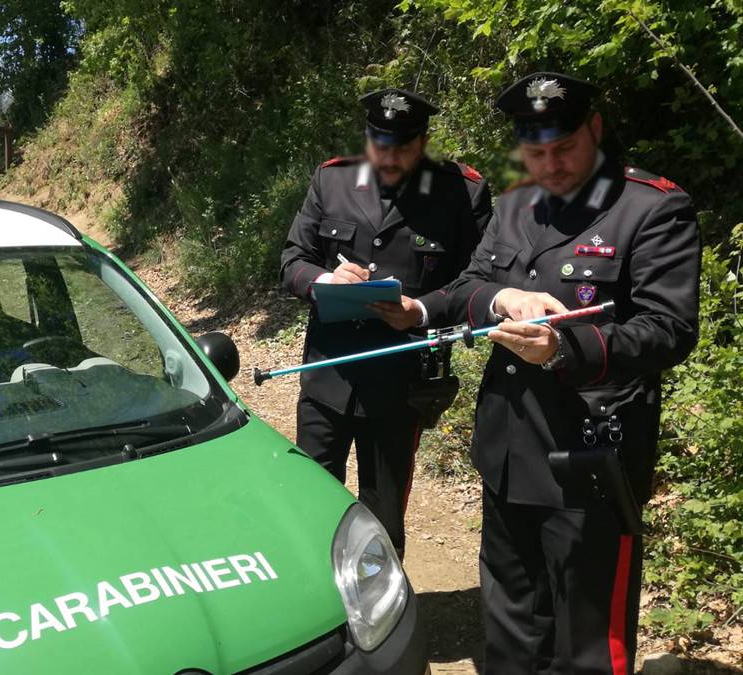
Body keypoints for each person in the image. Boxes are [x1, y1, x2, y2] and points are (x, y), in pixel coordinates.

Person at [376, 72, 700, 673]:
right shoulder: (516, 203)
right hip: (506, 446)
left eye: (565, 148)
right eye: (535, 151)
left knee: (587, 642)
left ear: (595, 130)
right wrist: (501, 300)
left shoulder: (652, 209)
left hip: (591, 458)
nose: (550, 164)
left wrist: (562, 350)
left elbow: (668, 329)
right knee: (510, 628)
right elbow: (471, 285)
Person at [279, 88, 491, 558]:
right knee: (311, 504)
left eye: (402, 146)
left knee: (383, 518)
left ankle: (382, 613)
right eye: (380, 144)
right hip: (326, 375)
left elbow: (478, 284)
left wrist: (420, 310)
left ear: (424, 140)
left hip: (400, 386)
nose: (389, 157)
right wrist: (322, 281)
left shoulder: (461, 193)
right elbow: (292, 259)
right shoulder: (332, 180)